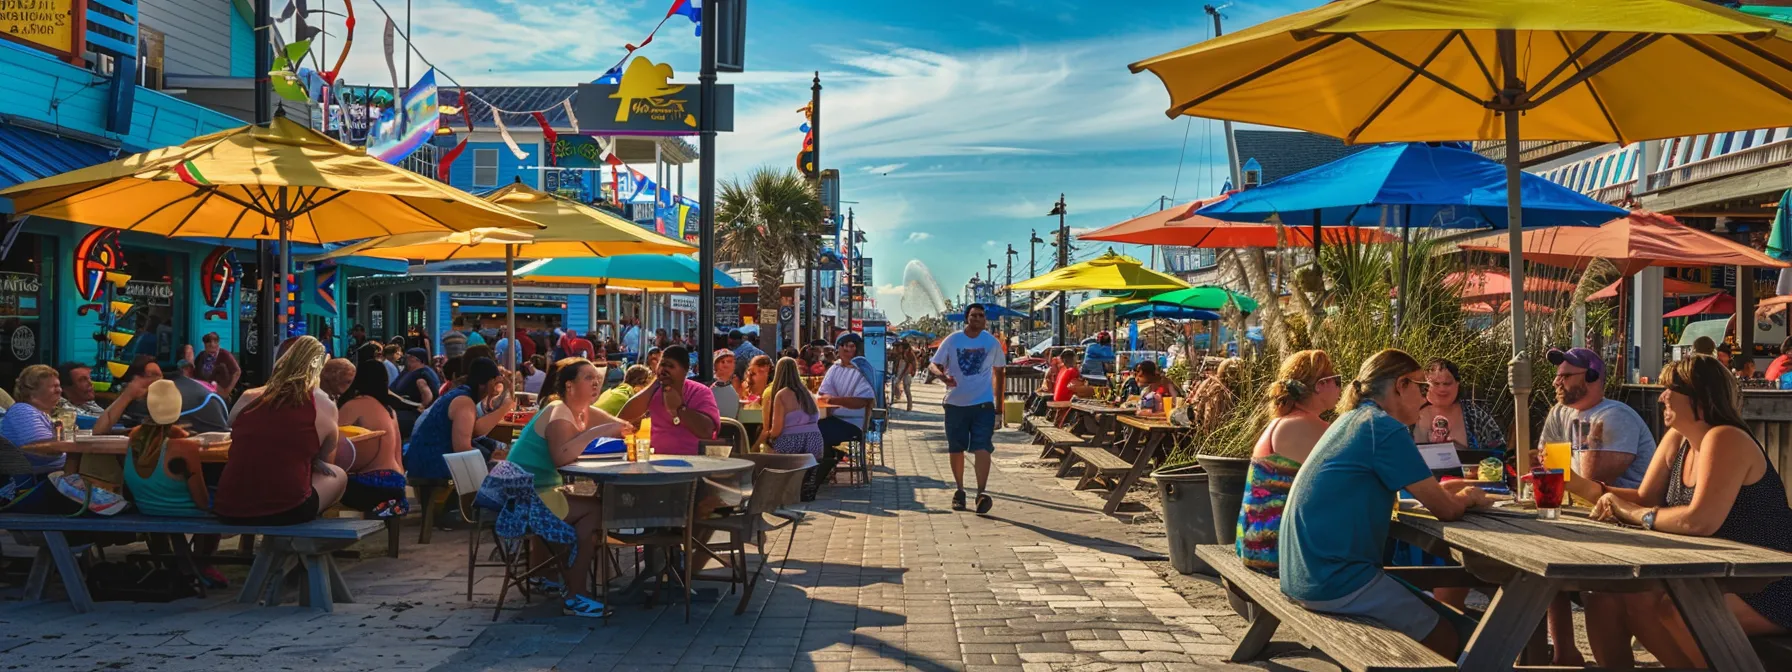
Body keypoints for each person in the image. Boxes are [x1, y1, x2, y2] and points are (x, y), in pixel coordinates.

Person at [1575, 355, 1792, 669]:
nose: (1661, 396)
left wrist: (1635, 514)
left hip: (1770, 585)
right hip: (1715, 577)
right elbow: (1640, 497)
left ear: (1700, 397)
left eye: (1669, 389)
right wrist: (1572, 483)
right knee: (1602, 596)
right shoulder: (1679, 439)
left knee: (1664, 607)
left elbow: (1698, 520)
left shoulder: (1726, 438)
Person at [1280, 349, 1488, 658]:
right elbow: (1446, 510)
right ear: (1400, 385)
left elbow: (1417, 491)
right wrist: (1470, 496)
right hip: (1334, 581)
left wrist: (1448, 492)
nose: (1427, 397)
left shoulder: (1352, 419)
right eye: (1422, 387)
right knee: (1446, 636)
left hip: (1301, 574)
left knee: (1456, 623)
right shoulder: (1384, 428)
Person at [504, 358, 627, 616]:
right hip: (524, 496)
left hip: (536, 489)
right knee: (593, 511)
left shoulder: (580, 411)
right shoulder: (558, 409)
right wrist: (600, 431)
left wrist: (619, 428)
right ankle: (575, 594)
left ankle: (567, 582)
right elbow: (562, 457)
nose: (596, 383)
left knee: (590, 506)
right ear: (569, 386)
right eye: (588, 378)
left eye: (597, 379)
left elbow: (621, 426)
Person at [214, 336, 348, 526]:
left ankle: (249, 546)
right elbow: (327, 462)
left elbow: (233, 437)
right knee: (338, 474)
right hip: (287, 510)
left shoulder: (248, 397)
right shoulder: (324, 405)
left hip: (229, 507)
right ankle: (302, 543)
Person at [1237, 350, 1339, 575]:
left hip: (1258, 542)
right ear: (1321, 385)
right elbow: (1341, 484)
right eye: (1337, 380)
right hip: (1277, 549)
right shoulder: (1304, 426)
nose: (1340, 388)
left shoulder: (1284, 422)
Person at [929, 303, 1006, 514]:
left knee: (982, 447)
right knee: (956, 448)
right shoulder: (953, 340)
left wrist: (1000, 409)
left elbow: (1000, 373)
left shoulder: (992, 343)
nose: (977, 319)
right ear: (966, 318)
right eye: (973, 315)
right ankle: (960, 490)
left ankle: (981, 493)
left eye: (981, 316)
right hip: (955, 404)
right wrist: (942, 376)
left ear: (985, 320)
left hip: (983, 405)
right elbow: (933, 364)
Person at [406, 358, 517, 478]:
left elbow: (475, 431)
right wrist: (506, 406)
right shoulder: (464, 402)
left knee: (490, 450)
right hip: (430, 467)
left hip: (424, 461)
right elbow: (462, 449)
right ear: (485, 383)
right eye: (495, 382)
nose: (496, 387)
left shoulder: (462, 394)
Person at [336, 360, 410, 517]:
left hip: (372, 485)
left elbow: (332, 443)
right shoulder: (390, 411)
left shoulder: (354, 405)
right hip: (397, 483)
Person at [619, 345, 720, 456]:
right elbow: (624, 417)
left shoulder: (700, 392)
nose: (664, 370)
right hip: (658, 463)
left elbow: (707, 432)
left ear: (684, 371)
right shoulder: (654, 390)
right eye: (662, 365)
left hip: (694, 463)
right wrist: (655, 384)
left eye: (671, 366)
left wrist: (679, 409)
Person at [762, 357, 826, 500]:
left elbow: (777, 430)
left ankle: (774, 490)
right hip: (815, 441)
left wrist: (766, 436)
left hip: (791, 442)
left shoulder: (781, 395)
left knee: (767, 448)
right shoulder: (808, 393)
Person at [1412, 358, 1506, 455]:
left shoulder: (1475, 416)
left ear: (1457, 384)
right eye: (1435, 383)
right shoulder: (1409, 415)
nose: (1442, 389)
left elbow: (1500, 452)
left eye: (1447, 383)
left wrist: (1460, 451)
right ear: (1424, 385)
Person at [815, 333, 877, 472]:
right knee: (809, 429)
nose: (846, 349)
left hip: (854, 423)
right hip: (834, 418)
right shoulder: (835, 368)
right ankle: (826, 464)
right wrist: (829, 399)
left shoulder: (863, 369)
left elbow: (862, 401)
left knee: (818, 433)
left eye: (851, 346)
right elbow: (824, 392)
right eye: (843, 346)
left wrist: (834, 400)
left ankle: (825, 467)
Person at [2, 365, 64, 462]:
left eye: (59, 386)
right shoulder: (23, 410)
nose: (59, 390)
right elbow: (41, 450)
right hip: (41, 476)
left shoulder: (39, 413)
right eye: (54, 386)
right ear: (32, 391)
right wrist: (72, 443)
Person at [390, 347, 441, 439]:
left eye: (409, 359)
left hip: (412, 414)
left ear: (418, 360)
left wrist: (421, 407)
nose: (407, 361)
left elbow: (428, 396)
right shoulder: (410, 371)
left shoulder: (421, 375)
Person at [1188, 358, 1245, 433]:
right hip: (1215, 430)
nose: (1233, 376)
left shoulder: (1241, 389)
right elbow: (1200, 407)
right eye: (1231, 372)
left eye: (1235, 372)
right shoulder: (1214, 386)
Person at [192, 332, 240, 398]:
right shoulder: (201, 355)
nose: (212, 344)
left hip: (219, 392)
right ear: (204, 344)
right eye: (209, 342)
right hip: (203, 390)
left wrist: (227, 391)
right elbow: (194, 369)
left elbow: (237, 372)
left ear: (218, 343)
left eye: (215, 341)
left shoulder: (225, 354)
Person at [889, 341, 917, 411]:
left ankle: (909, 406)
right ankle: (898, 397)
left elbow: (909, 366)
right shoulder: (901, 354)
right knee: (897, 385)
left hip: (907, 373)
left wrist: (912, 371)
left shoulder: (909, 354)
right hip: (904, 372)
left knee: (907, 389)